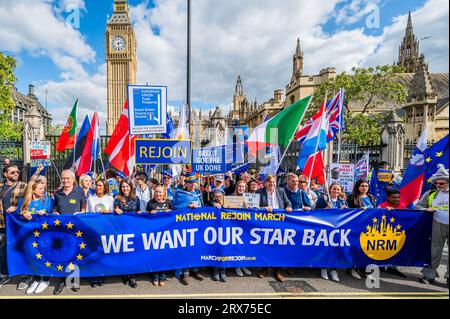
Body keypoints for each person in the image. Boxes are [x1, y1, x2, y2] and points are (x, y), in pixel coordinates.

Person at [15, 179, 53, 294]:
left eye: (43, 188)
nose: (43, 190)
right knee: (33, 257)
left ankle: (45, 280)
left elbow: (52, 217)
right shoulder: (23, 201)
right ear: (32, 189)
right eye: (40, 189)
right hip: (29, 236)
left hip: (44, 235)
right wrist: (23, 213)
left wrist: (45, 213)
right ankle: (36, 279)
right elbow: (16, 216)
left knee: (44, 257)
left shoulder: (47, 200)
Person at [52, 169, 86, 295]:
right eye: (63, 178)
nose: (65, 181)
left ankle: (75, 280)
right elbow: (55, 207)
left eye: (68, 178)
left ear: (73, 180)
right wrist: (55, 212)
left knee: (75, 255)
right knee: (62, 255)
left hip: (75, 231)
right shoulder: (57, 193)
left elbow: (84, 205)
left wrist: (82, 212)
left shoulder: (79, 191)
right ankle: (62, 280)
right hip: (61, 230)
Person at [416, 164, 449, 286]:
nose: (438, 186)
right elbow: (418, 206)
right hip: (436, 224)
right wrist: (426, 209)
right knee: (434, 251)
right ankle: (429, 274)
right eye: (437, 183)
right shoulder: (430, 194)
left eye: (441, 184)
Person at [256, 175, 292, 282]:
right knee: (266, 245)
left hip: (279, 222)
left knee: (278, 245)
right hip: (265, 222)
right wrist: (263, 208)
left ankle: (278, 270)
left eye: (273, 182)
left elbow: (288, 202)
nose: (272, 184)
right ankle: (265, 268)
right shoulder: (259, 192)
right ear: (265, 183)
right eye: (270, 182)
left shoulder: (281, 191)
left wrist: (288, 207)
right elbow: (253, 207)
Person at [172, 172, 205, 285]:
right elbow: (175, 208)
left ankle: (195, 270)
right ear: (185, 184)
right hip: (184, 227)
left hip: (197, 226)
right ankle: (185, 273)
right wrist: (187, 207)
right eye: (190, 183)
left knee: (196, 248)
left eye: (194, 183)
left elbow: (203, 208)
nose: (192, 185)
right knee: (185, 249)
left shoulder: (199, 193)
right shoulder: (179, 194)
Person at [0, 165, 27, 288]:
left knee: (22, 249)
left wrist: (16, 208)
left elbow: (30, 202)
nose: (16, 173)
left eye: (17, 171)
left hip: (18, 224)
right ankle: (4, 275)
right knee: (3, 251)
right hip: (3, 224)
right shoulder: (1, 187)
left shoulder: (24, 186)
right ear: (5, 174)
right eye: (12, 172)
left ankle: (25, 276)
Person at [315, 183, 348, 282]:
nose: (336, 191)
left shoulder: (342, 201)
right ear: (330, 189)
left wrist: (345, 210)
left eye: (338, 189)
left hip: (337, 230)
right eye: (334, 189)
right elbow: (315, 211)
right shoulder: (323, 199)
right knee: (325, 248)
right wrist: (326, 209)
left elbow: (349, 214)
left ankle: (334, 270)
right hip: (325, 228)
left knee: (335, 249)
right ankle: (323, 268)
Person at [346, 179, 377, 280]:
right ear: (357, 187)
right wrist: (358, 210)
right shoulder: (352, 198)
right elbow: (348, 212)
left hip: (369, 227)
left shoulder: (371, 197)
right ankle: (352, 268)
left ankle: (364, 269)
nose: (364, 188)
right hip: (356, 226)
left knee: (366, 249)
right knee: (355, 248)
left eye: (366, 186)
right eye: (362, 186)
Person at [113, 178, 140, 288]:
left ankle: (132, 275)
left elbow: (138, 211)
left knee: (132, 252)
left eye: (127, 186)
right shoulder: (117, 198)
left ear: (131, 187)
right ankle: (124, 273)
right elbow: (114, 210)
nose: (125, 188)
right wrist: (116, 210)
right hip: (121, 229)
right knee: (123, 251)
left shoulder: (136, 198)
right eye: (123, 186)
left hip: (132, 229)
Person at [86, 179, 113, 288]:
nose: (98, 187)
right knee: (93, 252)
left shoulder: (110, 198)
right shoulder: (91, 199)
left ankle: (102, 274)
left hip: (105, 229)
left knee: (103, 253)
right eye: (97, 185)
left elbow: (112, 214)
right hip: (94, 229)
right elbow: (88, 214)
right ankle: (93, 275)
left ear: (105, 187)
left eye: (100, 186)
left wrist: (108, 212)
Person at [146, 184, 173, 287]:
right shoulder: (150, 203)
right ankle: (155, 275)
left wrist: (171, 212)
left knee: (164, 255)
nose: (158, 194)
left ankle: (163, 275)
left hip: (166, 233)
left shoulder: (169, 203)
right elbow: (145, 219)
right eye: (156, 192)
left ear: (164, 193)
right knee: (155, 254)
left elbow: (175, 216)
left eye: (160, 192)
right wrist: (149, 214)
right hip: (154, 234)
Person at [230, 181, 252, 277]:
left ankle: (243, 265)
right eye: (239, 186)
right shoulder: (230, 197)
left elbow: (254, 211)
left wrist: (248, 207)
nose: (241, 188)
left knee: (244, 245)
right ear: (236, 187)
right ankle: (237, 266)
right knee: (236, 245)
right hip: (234, 225)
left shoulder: (249, 198)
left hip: (245, 226)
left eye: (243, 187)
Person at [208, 189, 228, 282]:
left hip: (226, 230)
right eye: (216, 196)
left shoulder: (229, 203)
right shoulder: (211, 204)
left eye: (220, 196)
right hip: (215, 231)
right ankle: (215, 270)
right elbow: (207, 203)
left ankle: (223, 271)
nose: (218, 198)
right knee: (215, 250)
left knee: (224, 250)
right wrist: (213, 204)